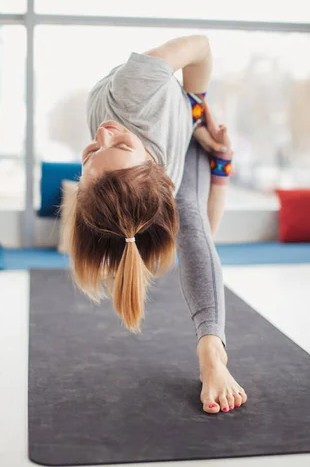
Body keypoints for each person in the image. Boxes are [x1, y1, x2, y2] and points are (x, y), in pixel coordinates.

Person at [64, 34, 248, 414]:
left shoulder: (133, 90)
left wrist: (197, 108)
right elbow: (204, 236)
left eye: (91, 153)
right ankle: (211, 353)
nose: (101, 133)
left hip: (179, 120)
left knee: (196, 234)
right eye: (111, 147)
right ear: (161, 180)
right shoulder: (167, 185)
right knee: (197, 231)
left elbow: (201, 46)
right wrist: (222, 165)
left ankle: (213, 351)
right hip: (181, 145)